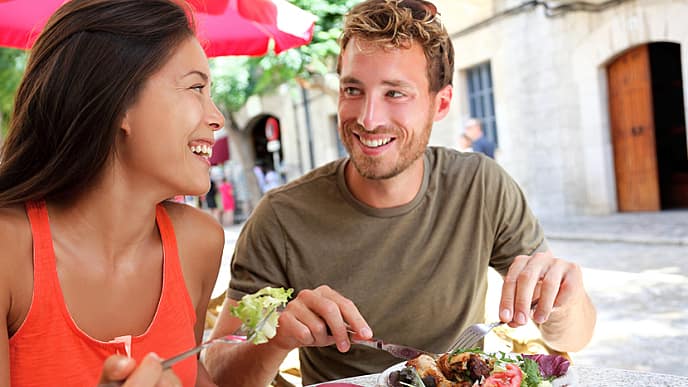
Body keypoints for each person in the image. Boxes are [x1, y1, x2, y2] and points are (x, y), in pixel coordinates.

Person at [203, 0, 596, 386]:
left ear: (440, 103)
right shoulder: (280, 216)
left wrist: (562, 301)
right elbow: (217, 376)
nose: (368, 118)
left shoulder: (481, 185)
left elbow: (572, 338)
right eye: (352, 89)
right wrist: (278, 337)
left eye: (395, 93)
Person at [0, 0, 226, 385]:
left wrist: (274, 342)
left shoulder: (199, 244)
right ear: (117, 101)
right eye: (196, 88)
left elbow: (192, 376)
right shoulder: (9, 252)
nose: (217, 117)